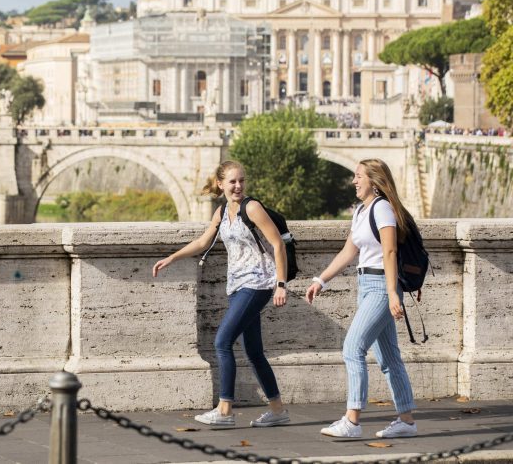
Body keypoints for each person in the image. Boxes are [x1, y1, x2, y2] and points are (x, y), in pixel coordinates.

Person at [152, 160, 290, 428]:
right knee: (255, 352)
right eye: (232, 182)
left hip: (258, 283)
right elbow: (203, 242)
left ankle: (225, 409)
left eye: (241, 181)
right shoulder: (222, 210)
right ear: (221, 184)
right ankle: (277, 409)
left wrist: (281, 284)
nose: (238, 186)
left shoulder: (252, 207)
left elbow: (277, 245)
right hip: (236, 285)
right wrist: (172, 258)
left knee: (221, 342)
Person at [306, 158, 417, 439]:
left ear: (374, 180)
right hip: (365, 283)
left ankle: (352, 421)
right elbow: (348, 252)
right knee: (388, 357)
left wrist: (393, 293)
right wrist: (321, 280)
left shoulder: (382, 209)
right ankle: (407, 420)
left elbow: (390, 252)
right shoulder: (360, 211)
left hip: (382, 285)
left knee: (352, 347)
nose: (354, 181)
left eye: (358, 176)